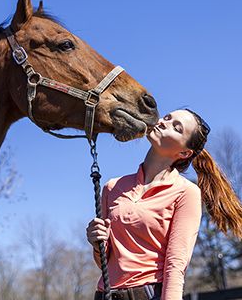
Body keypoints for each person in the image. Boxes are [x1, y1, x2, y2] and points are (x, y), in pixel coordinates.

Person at [86, 109, 242, 300]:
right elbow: (106, 260)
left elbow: (176, 264)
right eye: (167, 117)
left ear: (184, 152)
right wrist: (96, 243)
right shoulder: (112, 187)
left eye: (176, 127)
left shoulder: (186, 192)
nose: (163, 122)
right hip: (104, 295)